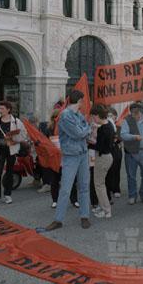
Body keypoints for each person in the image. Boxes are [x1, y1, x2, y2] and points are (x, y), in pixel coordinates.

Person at [46, 90, 92, 231]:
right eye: (83, 101)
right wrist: (88, 128)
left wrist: (85, 129)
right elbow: (79, 133)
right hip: (71, 156)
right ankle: (58, 220)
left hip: (83, 153)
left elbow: (83, 132)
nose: (84, 103)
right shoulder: (65, 116)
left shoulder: (79, 114)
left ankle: (84, 216)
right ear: (79, 101)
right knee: (66, 189)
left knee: (84, 187)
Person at [0, 101, 27, 206]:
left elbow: (23, 135)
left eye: (2, 109)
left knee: (9, 172)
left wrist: (14, 139)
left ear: (8, 110)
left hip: (11, 149)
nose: (0, 111)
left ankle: (7, 194)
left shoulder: (16, 122)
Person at [121, 102, 143, 205]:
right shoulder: (127, 120)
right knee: (131, 175)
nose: (136, 115)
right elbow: (123, 135)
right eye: (133, 113)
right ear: (131, 112)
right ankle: (132, 195)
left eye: (138, 113)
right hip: (131, 152)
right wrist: (134, 137)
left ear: (141, 112)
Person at [89, 104, 115, 218]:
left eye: (93, 116)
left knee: (99, 184)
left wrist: (88, 142)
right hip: (107, 157)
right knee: (101, 184)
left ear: (97, 115)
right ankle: (103, 206)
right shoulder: (108, 124)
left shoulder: (103, 129)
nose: (92, 119)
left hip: (102, 158)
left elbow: (99, 146)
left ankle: (106, 210)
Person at [107, 107, 123, 198]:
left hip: (116, 150)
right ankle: (109, 188)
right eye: (108, 116)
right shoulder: (105, 125)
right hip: (108, 151)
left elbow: (120, 138)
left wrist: (116, 138)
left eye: (111, 116)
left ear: (115, 117)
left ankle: (116, 189)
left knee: (116, 169)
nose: (109, 118)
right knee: (109, 170)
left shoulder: (118, 126)